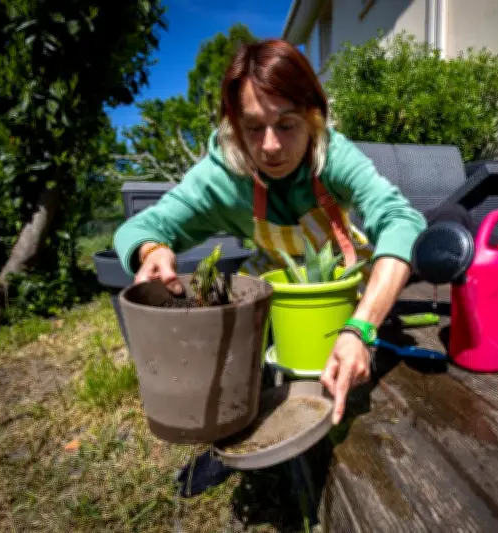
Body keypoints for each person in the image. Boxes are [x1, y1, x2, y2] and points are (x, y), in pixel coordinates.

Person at [113, 38, 427, 425]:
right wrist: (151, 251)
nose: (271, 146)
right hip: (273, 296)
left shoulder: (332, 155)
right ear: (234, 126)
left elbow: (401, 219)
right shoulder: (222, 177)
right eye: (254, 128)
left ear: (314, 116)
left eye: (286, 124)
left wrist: (362, 327)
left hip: (341, 289)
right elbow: (142, 228)